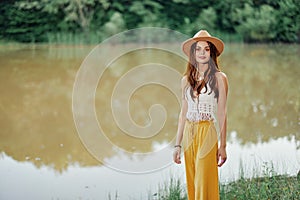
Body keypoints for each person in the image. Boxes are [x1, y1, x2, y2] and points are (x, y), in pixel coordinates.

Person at [173, 30, 228, 200]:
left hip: (207, 132)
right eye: (198, 49)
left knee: (204, 182)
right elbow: (183, 113)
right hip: (189, 133)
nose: (202, 53)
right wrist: (177, 145)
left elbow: (222, 113)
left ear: (212, 53)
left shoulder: (219, 78)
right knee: (193, 181)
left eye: (206, 49)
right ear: (193, 53)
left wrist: (223, 146)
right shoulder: (185, 80)